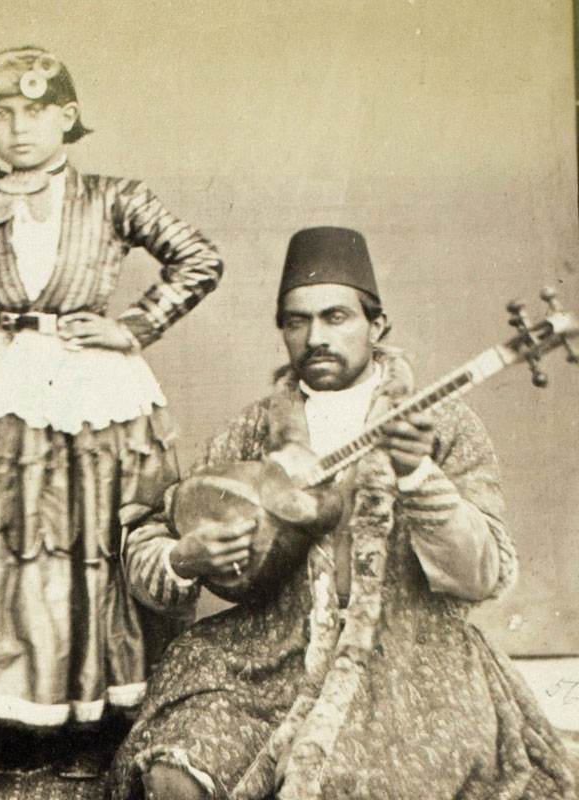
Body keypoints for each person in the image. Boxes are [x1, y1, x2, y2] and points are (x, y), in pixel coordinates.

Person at [108, 227, 576, 799]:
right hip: (265, 654)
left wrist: (417, 475)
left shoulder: (442, 424)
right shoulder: (255, 427)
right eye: (297, 322)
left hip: (410, 661)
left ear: (377, 326)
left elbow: (482, 575)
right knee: (174, 773)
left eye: (336, 318)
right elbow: (157, 532)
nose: (315, 338)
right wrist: (184, 557)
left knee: (358, 783)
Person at [0, 46, 222, 775]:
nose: (18, 129)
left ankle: (89, 726)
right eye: (0, 114)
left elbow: (199, 258)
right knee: (3, 550)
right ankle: (15, 728)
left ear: (68, 118)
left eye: (36, 112)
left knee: (84, 544)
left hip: (87, 390)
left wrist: (134, 326)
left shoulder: (113, 196)